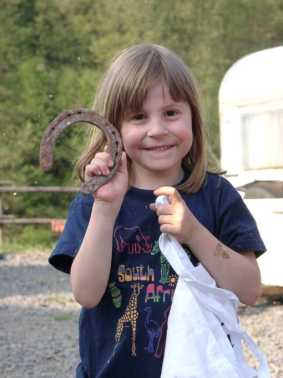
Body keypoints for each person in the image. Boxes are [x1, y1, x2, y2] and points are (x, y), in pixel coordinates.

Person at [49, 43, 266, 378]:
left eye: (170, 113)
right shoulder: (96, 199)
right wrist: (106, 209)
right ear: (114, 127)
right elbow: (86, 294)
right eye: (138, 117)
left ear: (192, 116)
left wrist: (194, 233)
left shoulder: (217, 196)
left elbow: (250, 290)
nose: (157, 129)